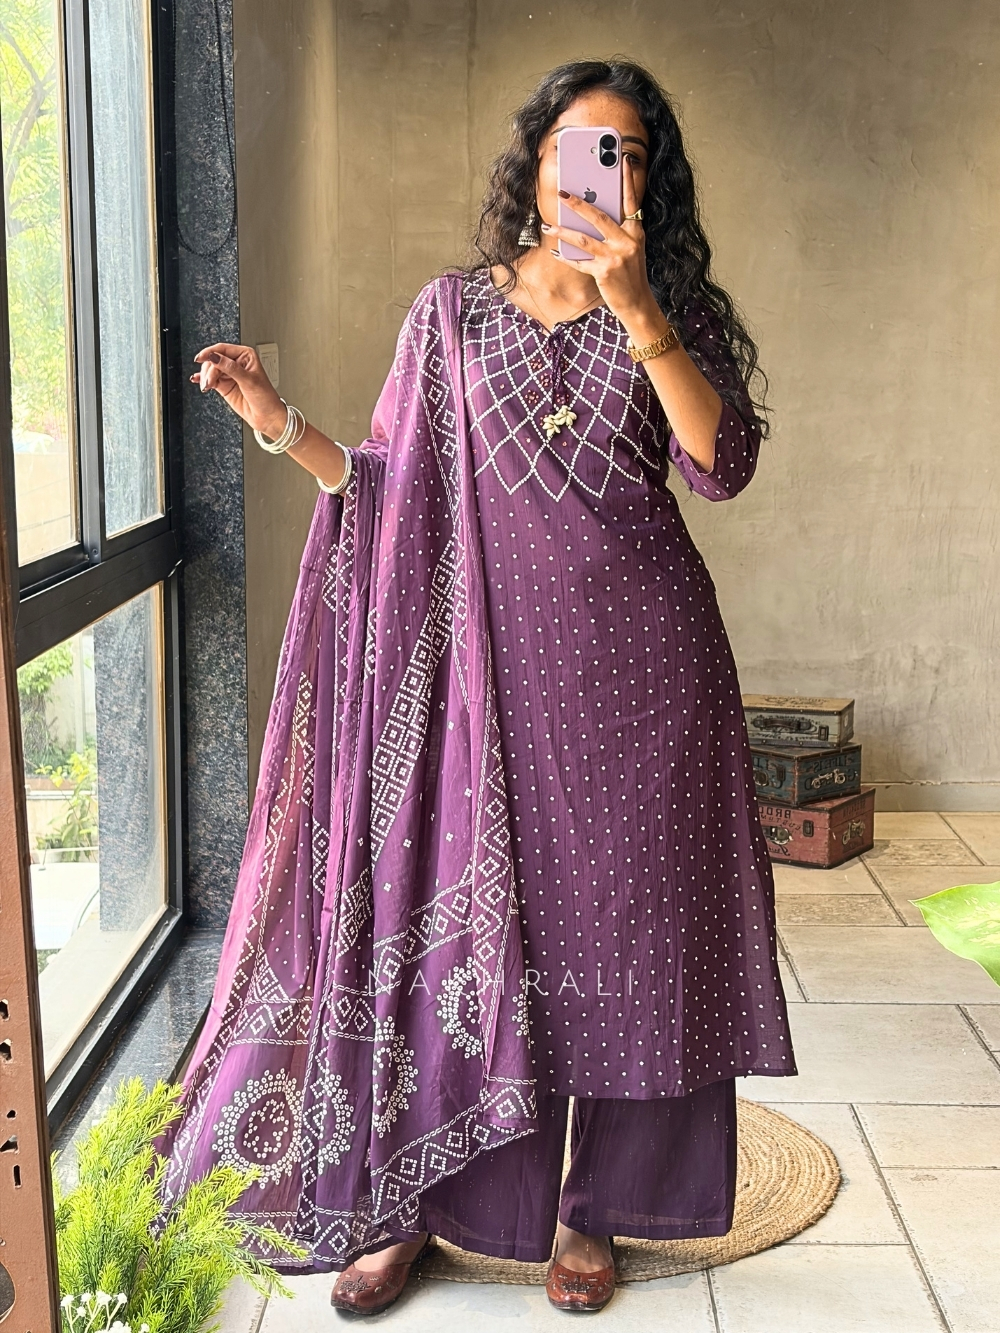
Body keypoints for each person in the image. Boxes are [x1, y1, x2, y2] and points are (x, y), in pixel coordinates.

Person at [166, 58, 796, 1316]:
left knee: (628, 940)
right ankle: (421, 1202)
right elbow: (390, 486)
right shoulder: (450, 314)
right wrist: (278, 421)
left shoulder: (670, 307)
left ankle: (593, 1209)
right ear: (537, 161)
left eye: (623, 153)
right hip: (484, 673)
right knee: (461, 933)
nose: (595, 173)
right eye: (576, 147)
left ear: (646, 181)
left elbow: (718, 465)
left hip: (648, 675)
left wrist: (638, 310)